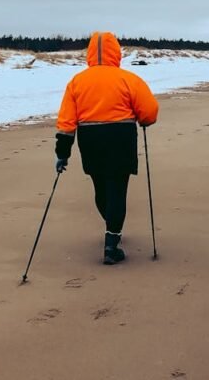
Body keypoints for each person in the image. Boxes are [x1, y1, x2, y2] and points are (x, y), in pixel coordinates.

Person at [54, 31, 159, 265]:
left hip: (90, 139)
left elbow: (66, 121)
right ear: (116, 52)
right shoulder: (128, 79)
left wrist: (63, 152)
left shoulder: (77, 81)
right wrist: (144, 120)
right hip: (121, 137)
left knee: (101, 186)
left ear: (90, 53)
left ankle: (112, 227)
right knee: (118, 187)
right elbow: (149, 112)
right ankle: (111, 241)